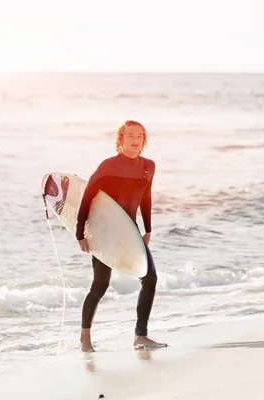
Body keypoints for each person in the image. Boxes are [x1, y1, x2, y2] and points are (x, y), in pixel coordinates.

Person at [75, 120, 166, 352]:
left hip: (131, 231)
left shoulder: (149, 166)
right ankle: (85, 338)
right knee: (100, 284)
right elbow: (87, 197)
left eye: (139, 136)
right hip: (105, 231)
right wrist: (80, 233)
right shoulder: (108, 166)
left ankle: (141, 336)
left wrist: (148, 229)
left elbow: (146, 198)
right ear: (121, 140)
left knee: (150, 278)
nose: (135, 140)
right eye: (130, 136)